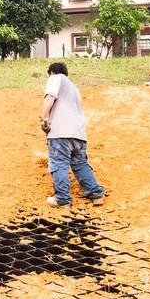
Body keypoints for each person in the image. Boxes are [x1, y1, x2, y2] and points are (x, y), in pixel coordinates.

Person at [39, 62, 105, 209]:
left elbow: (50, 96)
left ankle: (62, 200)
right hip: (79, 134)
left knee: (59, 164)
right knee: (80, 163)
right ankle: (96, 194)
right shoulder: (74, 89)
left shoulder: (56, 78)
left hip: (60, 133)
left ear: (52, 72)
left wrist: (43, 117)